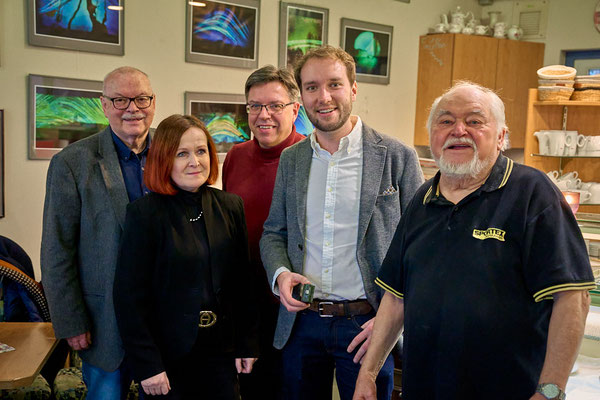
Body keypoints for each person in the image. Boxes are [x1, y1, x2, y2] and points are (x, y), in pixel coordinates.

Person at [353, 81, 596, 400]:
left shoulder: (532, 194)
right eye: (445, 121)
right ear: (432, 138)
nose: (458, 130)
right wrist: (368, 374)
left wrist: (550, 391)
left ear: (501, 137)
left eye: (474, 120)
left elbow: (573, 297)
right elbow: (396, 298)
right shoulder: (423, 199)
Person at [260, 45, 424, 400]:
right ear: (301, 96)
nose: (324, 97)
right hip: (302, 323)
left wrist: (393, 320)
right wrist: (281, 274)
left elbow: (421, 248)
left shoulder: (397, 157)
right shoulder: (293, 160)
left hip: (367, 325)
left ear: (353, 88)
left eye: (334, 84)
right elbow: (274, 232)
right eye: (312, 87)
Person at [113, 114, 259, 400]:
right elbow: (129, 297)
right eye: (182, 153)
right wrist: (148, 365)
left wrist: (247, 344)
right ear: (165, 158)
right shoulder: (144, 214)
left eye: (201, 150)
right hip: (167, 359)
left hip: (221, 352)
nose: (195, 161)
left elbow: (244, 283)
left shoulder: (229, 206)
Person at [41, 66, 155, 399]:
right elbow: (56, 249)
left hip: (163, 323)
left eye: (141, 98)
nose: (132, 108)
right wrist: (71, 321)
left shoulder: (173, 150)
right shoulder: (72, 163)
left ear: (153, 101)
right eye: (120, 99)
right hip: (105, 325)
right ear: (104, 105)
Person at [222, 65, 305, 399]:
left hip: (293, 306)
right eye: (254, 106)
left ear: (295, 110)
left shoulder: (310, 156)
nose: (263, 115)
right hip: (247, 304)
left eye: (275, 105)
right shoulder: (236, 156)